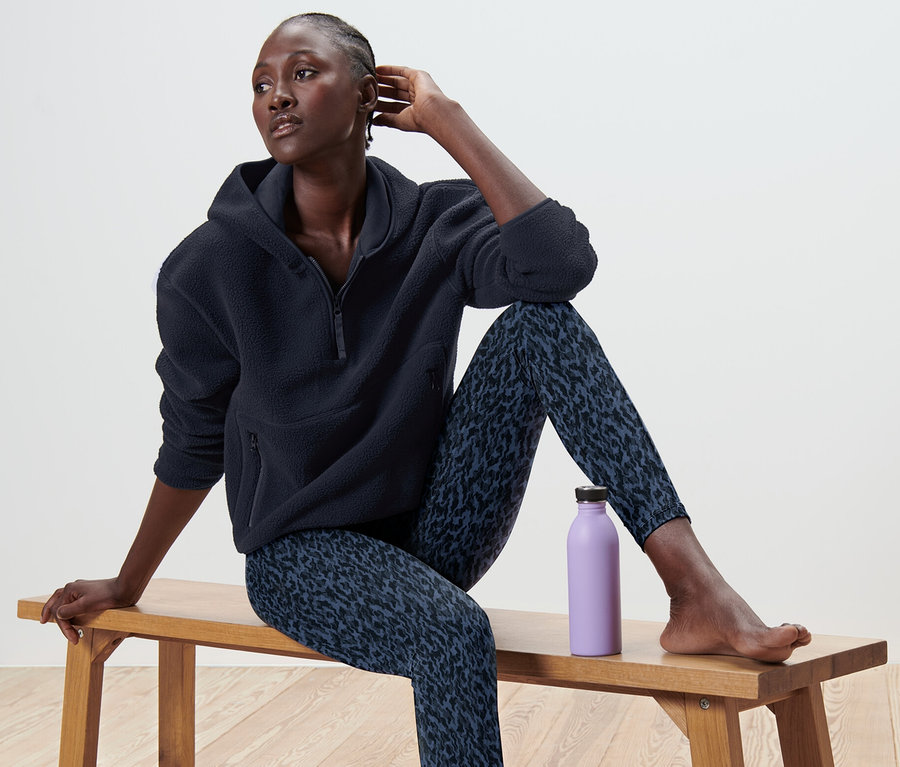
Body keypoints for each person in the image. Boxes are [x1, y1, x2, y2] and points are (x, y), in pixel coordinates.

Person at [41, 12, 811, 766]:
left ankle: (695, 587)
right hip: (300, 554)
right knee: (452, 632)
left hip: (435, 532)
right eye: (261, 84)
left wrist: (451, 122)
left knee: (542, 325)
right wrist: (129, 579)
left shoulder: (434, 223)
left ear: (369, 94)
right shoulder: (207, 266)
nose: (277, 95)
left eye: (304, 73)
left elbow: (559, 269)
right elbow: (193, 439)